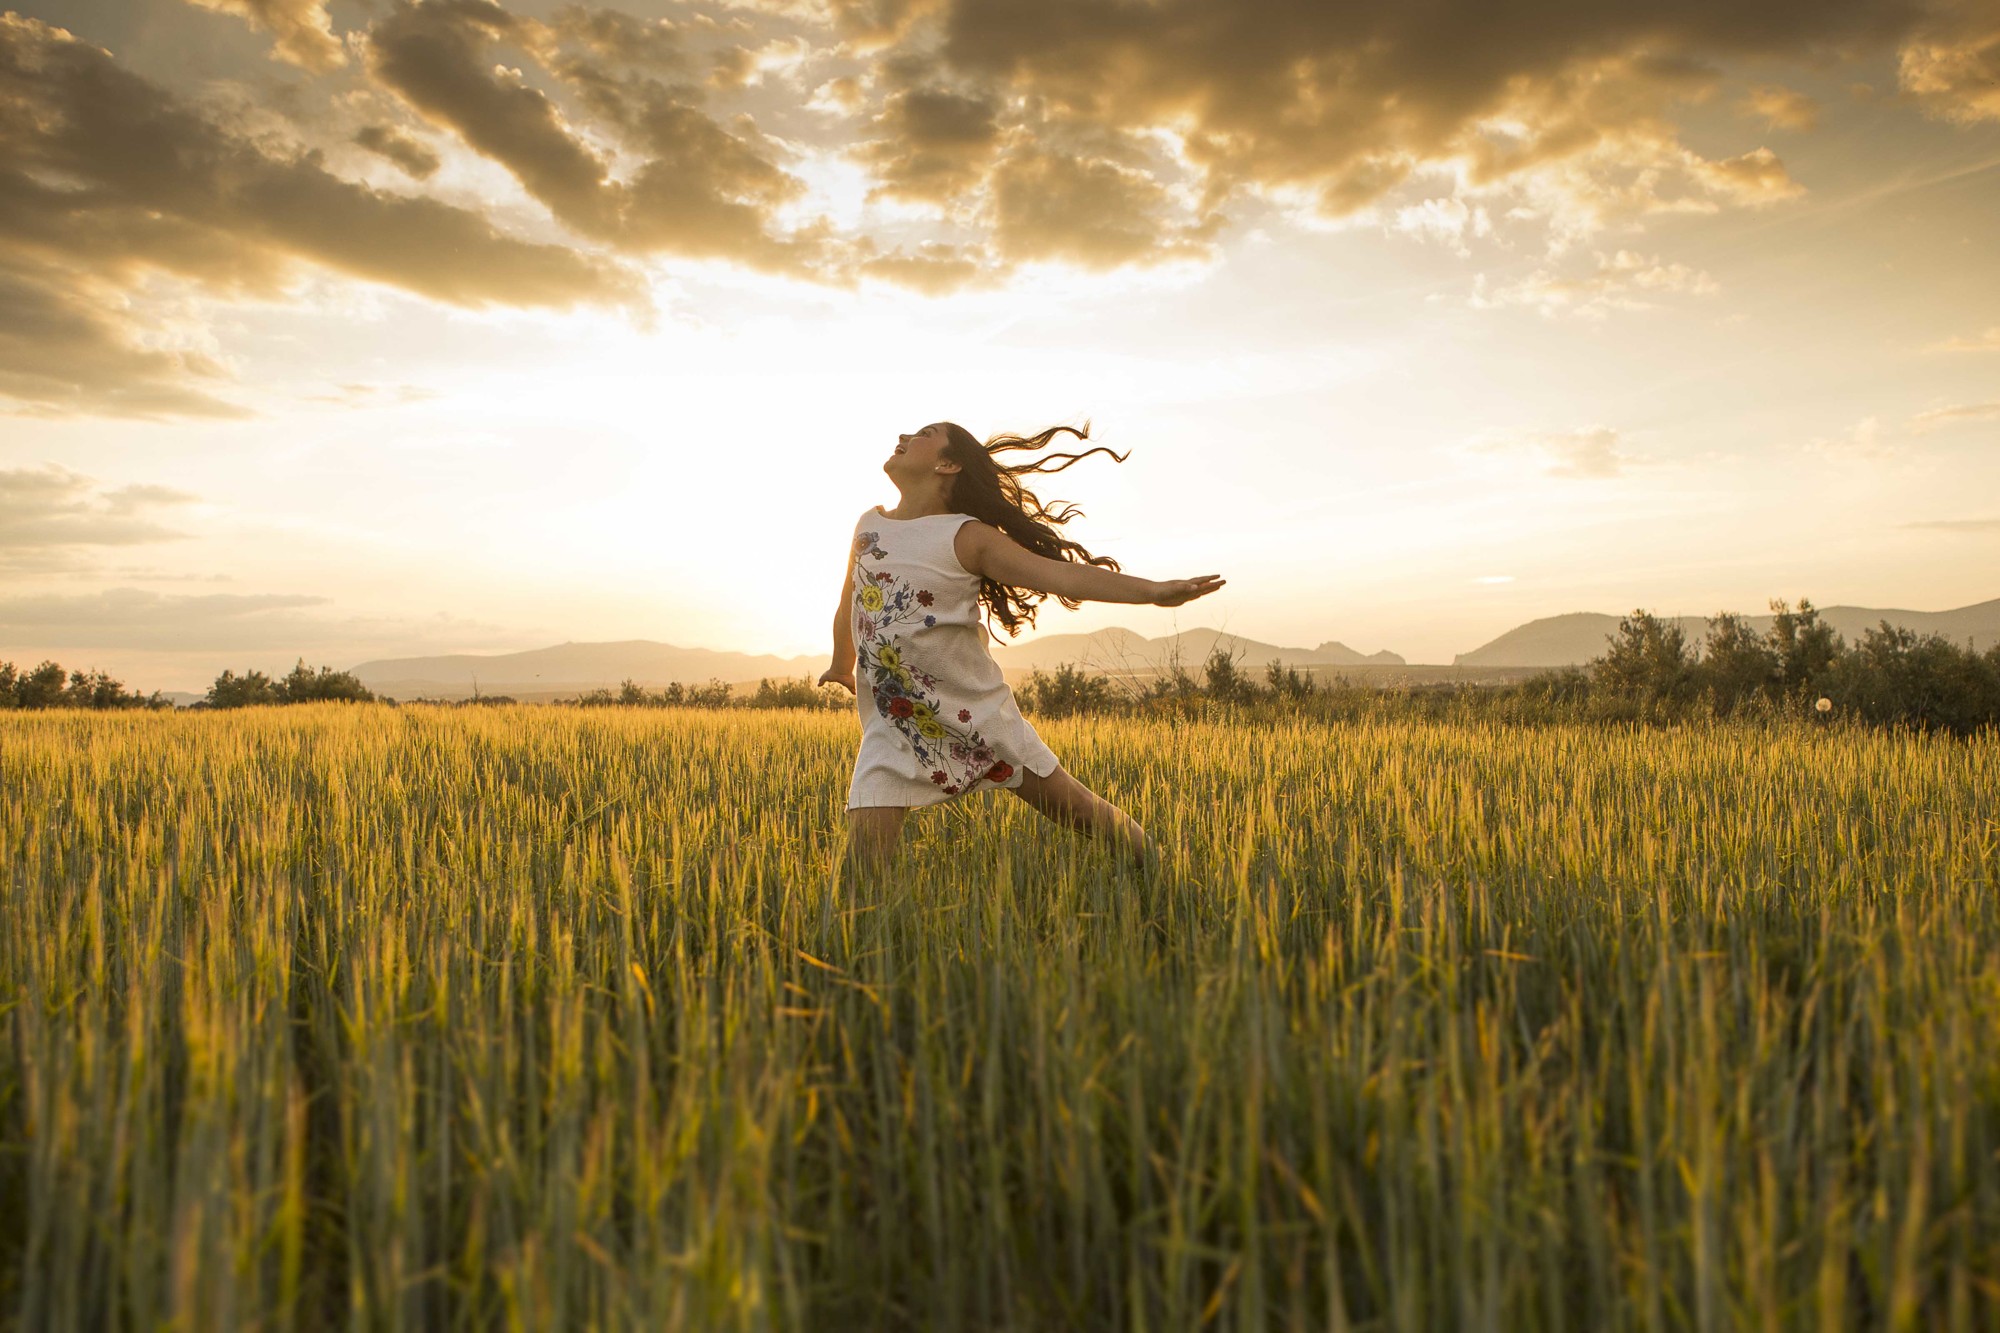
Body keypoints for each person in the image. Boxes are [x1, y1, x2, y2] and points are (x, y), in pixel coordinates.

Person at [816, 420, 1224, 879]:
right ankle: (854, 941)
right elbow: (850, 599)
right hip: (897, 725)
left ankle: (1166, 877)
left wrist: (1152, 591)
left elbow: (1062, 576)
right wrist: (841, 662)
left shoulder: (968, 537)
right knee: (862, 869)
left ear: (948, 464)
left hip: (979, 717)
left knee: (1079, 811)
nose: (905, 436)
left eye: (925, 434)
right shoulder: (868, 526)